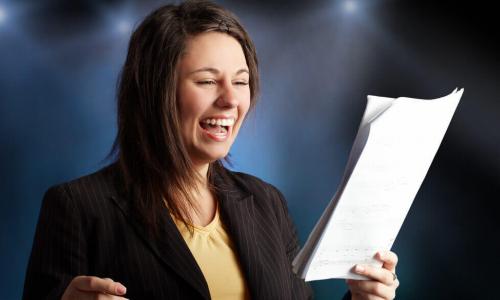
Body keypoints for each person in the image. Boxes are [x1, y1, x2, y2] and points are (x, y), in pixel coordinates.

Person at [23, 1, 399, 299]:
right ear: (155, 91)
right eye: (206, 81)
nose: (231, 100)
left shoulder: (267, 202)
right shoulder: (77, 207)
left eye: (241, 81)